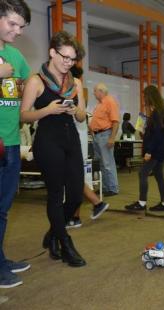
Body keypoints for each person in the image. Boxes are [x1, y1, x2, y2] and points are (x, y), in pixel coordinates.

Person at [21, 31, 87, 267]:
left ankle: (53, 234)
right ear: (52, 52)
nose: (68, 63)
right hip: (48, 142)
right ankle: (65, 242)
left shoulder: (76, 83)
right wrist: (47, 110)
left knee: (77, 193)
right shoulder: (36, 81)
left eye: (72, 60)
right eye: (65, 57)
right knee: (56, 195)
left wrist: (74, 110)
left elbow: (82, 116)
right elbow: (24, 115)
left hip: (71, 141)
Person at [0, 0, 31, 288]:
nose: (18, 30)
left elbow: (28, 90)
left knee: (3, 207)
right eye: (12, 23)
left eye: (21, 26)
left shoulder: (16, 57)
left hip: (10, 142)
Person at [67, 65, 108, 229]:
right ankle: (93, 204)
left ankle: (89, 207)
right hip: (78, 136)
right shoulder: (79, 92)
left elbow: (78, 116)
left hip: (75, 138)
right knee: (75, 177)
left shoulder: (73, 90)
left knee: (74, 177)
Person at [124, 85, 164, 212]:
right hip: (159, 150)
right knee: (159, 176)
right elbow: (158, 133)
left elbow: (156, 135)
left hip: (155, 151)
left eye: (145, 96)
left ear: (150, 97)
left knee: (143, 173)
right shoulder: (160, 112)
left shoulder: (156, 114)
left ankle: (142, 202)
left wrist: (149, 151)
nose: (144, 99)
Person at [89, 83, 120, 196]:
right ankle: (106, 187)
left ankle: (112, 188)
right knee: (102, 163)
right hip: (98, 136)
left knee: (107, 163)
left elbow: (115, 121)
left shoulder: (110, 101)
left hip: (105, 135)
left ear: (101, 91)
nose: (94, 93)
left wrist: (112, 138)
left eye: (95, 91)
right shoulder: (100, 104)